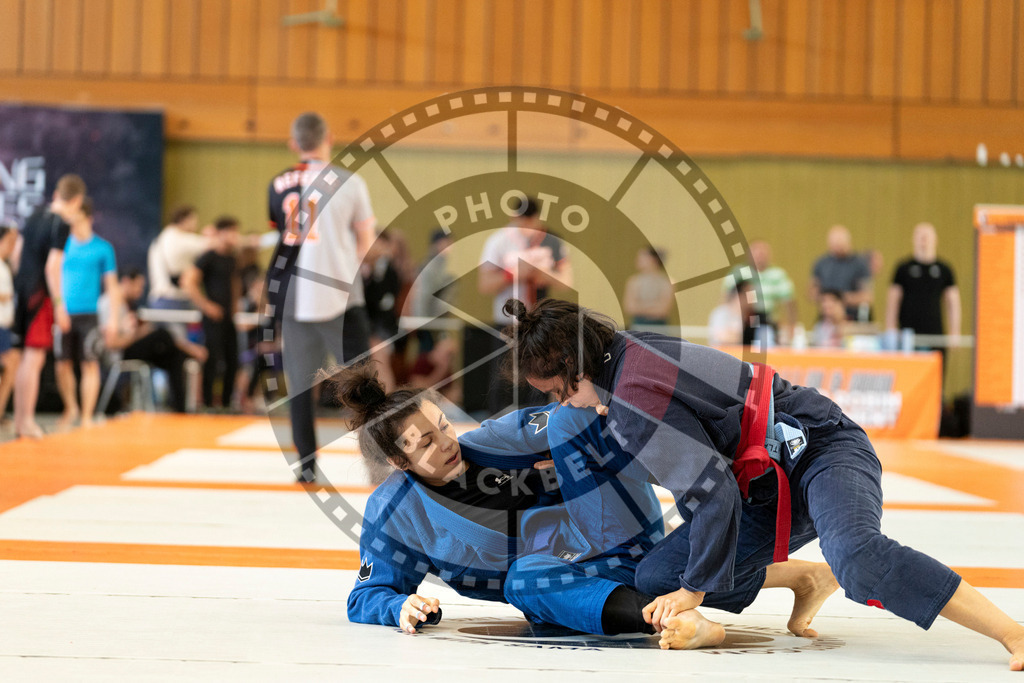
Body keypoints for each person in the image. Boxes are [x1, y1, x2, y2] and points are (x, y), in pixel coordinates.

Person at [504, 297, 1024, 669]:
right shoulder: (625, 352)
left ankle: (1011, 631)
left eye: (554, 392)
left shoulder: (633, 394)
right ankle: (806, 578)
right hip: (764, 485)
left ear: (572, 366)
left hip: (820, 449)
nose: (558, 404)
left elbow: (711, 492)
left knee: (857, 556)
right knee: (659, 574)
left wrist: (694, 592)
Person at [341, 363, 828, 646]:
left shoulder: (495, 441)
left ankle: (675, 616)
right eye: (423, 443)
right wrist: (397, 605)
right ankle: (797, 577)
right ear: (396, 460)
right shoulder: (393, 513)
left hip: (611, 528)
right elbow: (366, 595)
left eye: (443, 426)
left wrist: (585, 432)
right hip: (566, 581)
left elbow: (567, 415)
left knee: (569, 425)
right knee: (531, 582)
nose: (445, 443)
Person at [267, 111, 375, 483]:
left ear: (294, 142)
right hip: (342, 297)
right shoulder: (350, 182)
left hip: (295, 297)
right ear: (328, 136)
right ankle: (376, 461)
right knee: (364, 384)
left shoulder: (278, 183)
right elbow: (366, 239)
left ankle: (307, 465)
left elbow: (280, 234)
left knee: (299, 387)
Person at [477, 196, 572, 415]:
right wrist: (514, 273)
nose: (526, 227)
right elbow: (485, 284)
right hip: (507, 318)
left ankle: (538, 421)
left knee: (540, 373)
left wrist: (542, 273)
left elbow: (566, 281)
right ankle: (497, 422)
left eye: (530, 222)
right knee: (503, 374)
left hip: (539, 318)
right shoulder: (499, 240)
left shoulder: (551, 240)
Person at [12, 174, 86, 439]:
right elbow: (53, 266)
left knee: (23, 359)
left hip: (22, 289)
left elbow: (18, 253)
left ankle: (21, 421)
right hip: (40, 294)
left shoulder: (34, 215)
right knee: (35, 358)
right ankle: (27, 421)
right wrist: (59, 305)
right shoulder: (61, 224)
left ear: (56, 193)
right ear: (76, 200)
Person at [54, 197, 121, 428]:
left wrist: (112, 319)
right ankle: (71, 407)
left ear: (89, 218)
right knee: (62, 364)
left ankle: (86, 415)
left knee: (89, 364)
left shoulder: (103, 248)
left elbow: (112, 286)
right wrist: (57, 305)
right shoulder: (62, 246)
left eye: (78, 217)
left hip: (89, 314)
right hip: (64, 312)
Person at [100, 269, 207, 413]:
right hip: (118, 353)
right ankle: (190, 350)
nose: (140, 291)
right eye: (138, 286)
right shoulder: (109, 304)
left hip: (131, 347)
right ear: (126, 282)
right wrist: (139, 333)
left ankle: (181, 409)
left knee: (175, 356)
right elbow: (111, 343)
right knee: (161, 334)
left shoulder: (129, 305)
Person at [181, 216, 240, 410]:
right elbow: (188, 282)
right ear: (221, 233)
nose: (235, 236)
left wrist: (234, 306)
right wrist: (206, 306)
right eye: (231, 231)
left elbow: (234, 282)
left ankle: (226, 402)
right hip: (211, 316)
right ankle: (207, 402)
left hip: (228, 317)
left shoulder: (232, 258)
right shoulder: (208, 257)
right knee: (212, 358)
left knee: (233, 358)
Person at [886, 222, 961, 358]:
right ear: (913, 240)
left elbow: (953, 302)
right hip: (908, 334)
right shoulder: (903, 268)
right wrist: (891, 328)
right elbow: (893, 299)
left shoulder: (944, 269)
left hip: (935, 333)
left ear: (935, 240)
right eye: (920, 237)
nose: (924, 241)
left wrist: (954, 331)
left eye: (927, 237)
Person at [147, 205, 209, 342]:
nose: (195, 225)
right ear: (184, 220)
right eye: (193, 220)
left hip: (160, 299)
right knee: (177, 343)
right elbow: (210, 244)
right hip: (171, 299)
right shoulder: (178, 239)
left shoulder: (160, 239)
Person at [722, 240, 797, 343]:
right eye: (756, 253)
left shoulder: (778, 275)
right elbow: (726, 297)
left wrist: (791, 328)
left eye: (762, 253)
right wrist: (726, 320)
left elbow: (789, 304)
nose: (759, 257)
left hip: (768, 321)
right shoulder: (739, 272)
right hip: (743, 320)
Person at [363, 230, 401, 391]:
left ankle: (387, 399)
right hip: (365, 326)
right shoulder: (364, 270)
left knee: (380, 358)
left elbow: (386, 302)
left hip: (383, 328)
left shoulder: (390, 271)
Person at [809, 225, 872, 321]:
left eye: (839, 244)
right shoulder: (822, 263)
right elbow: (812, 290)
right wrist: (827, 300)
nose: (836, 248)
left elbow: (867, 296)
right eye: (834, 245)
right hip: (826, 319)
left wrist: (841, 299)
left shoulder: (860, 264)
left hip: (851, 318)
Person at [624, 246, 673, 327]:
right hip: (638, 326)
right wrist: (654, 306)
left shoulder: (667, 282)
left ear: (654, 260)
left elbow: (663, 310)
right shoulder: (634, 281)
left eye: (642, 258)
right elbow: (629, 307)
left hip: (659, 327)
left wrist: (640, 306)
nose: (637, 260)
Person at [0, 224, 19, 425]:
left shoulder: (5, 265)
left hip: (4, 326)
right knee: (11, 364)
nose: (12, 246)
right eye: (10, 242)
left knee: (11, 366)